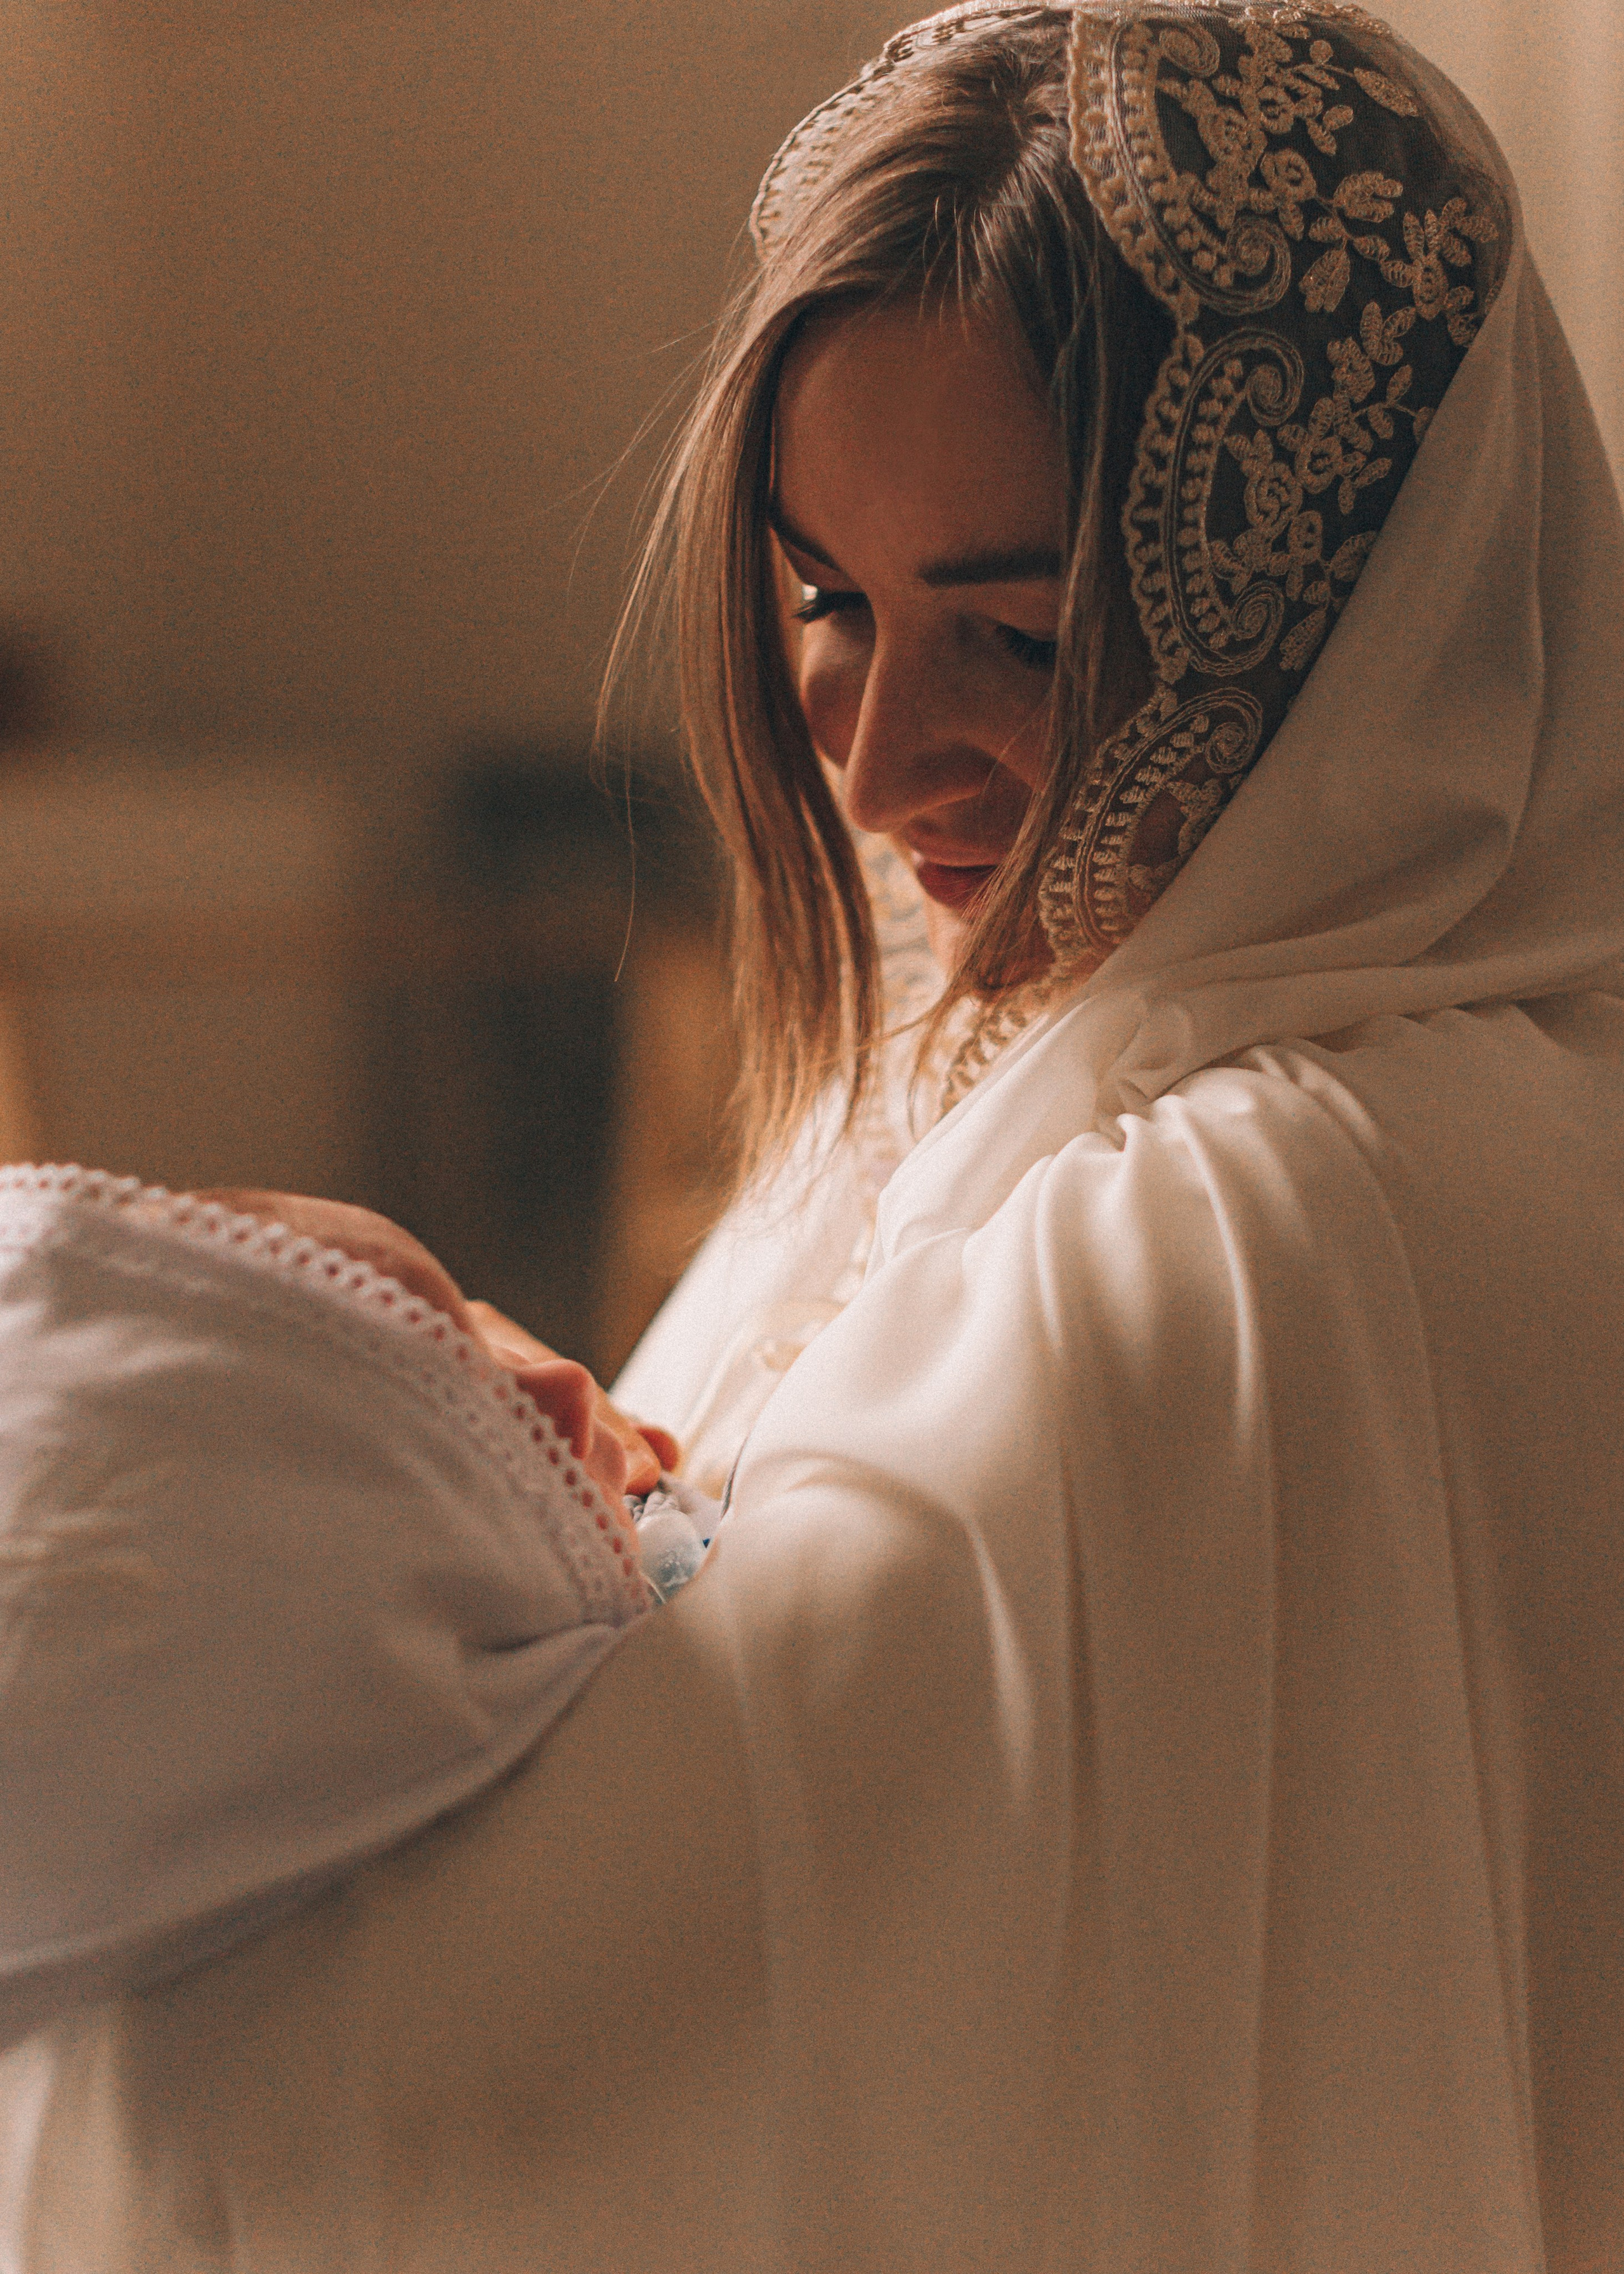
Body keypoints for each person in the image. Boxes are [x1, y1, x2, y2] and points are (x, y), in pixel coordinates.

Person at [4, 3, 1624, 2268]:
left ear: (1334, 606)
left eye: (1022, 634)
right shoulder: (1058, 1064)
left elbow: (600, 2033)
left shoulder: (1241, 1226)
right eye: (827, 604)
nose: (870, 766)